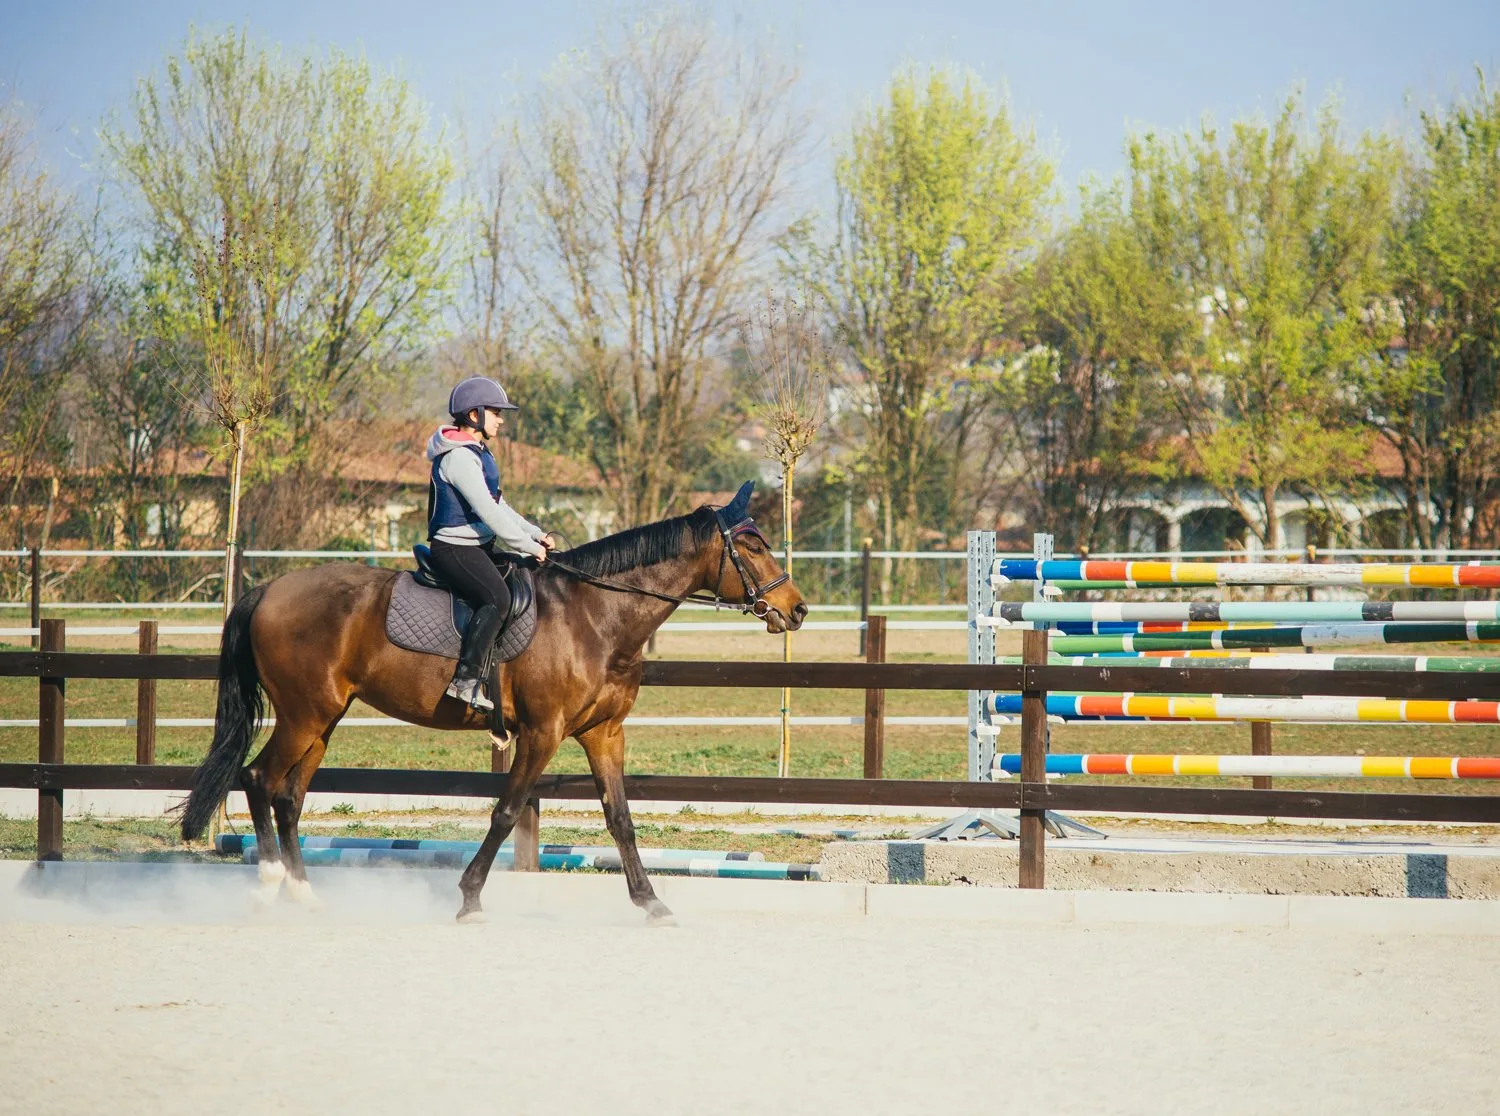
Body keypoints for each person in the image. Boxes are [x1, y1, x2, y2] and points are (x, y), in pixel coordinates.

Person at [425, 376, 556, 709]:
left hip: (476, 547)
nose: (500, 419)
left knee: (523, 577)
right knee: (497, 597)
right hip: (453, 549)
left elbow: (499, 504)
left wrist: (534, 533)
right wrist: (527, 546)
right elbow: (486, 511)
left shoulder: (478, 453)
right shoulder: (459, 458)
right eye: (495, 412)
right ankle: (465, 681)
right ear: (474, 415)